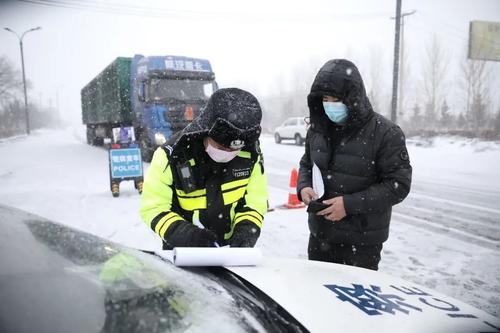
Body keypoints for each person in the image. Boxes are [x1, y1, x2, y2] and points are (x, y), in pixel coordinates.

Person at [297, 59, 412, 270]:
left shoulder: (386, 133)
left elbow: (398, 185)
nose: (329, 104)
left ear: (352, 98)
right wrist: (303, 187)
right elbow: (307, 163)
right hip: (320, 237)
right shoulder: (318, 129)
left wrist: (349, 205)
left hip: (361, 245)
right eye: (325, 98)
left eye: (336, 99)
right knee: (315, 299)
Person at [140, 88, 268, 249]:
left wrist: (248, 227)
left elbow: (256, 199)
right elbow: (152, 207)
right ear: (206, 130)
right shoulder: (171, 156)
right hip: (183, 253)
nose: (229, 153)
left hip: (229, 254)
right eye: (222, 146)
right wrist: (185, 235)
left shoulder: (250, 154)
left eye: (235, 149)